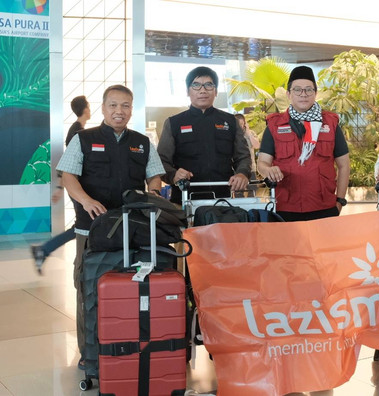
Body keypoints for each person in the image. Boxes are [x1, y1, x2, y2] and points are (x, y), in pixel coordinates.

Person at [56, 85, 165, 369]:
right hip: (90, 229)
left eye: (126, 106)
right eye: (114, 105)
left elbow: (155, 176)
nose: (120, 111)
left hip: (132, 229)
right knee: (89, 289)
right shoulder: (83, 139)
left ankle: (125, 348)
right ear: (103, 108)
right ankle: (89, 354)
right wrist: (86, 200)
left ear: (132, 109)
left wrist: (153, 191)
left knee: (131, 288)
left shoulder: (142, 142)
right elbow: (68, 176)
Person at [257, 65, 350, 222]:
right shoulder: (275, 125)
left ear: (315, 93)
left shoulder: (330, 123)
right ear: (288, 94)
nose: (303, 94)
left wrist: (340, 201)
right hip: (286, 207)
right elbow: (262, 163)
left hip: (324, 207)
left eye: (308, 90)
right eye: (297, 90)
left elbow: (344, 164)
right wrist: (268, 171)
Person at [157, 66, 251, 204]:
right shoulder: (174, 123)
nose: (202, 90)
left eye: (209, 85)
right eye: (196, 85)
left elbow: (243, 156)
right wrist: (173, 175)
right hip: (184, 199)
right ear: (187, 91)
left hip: (223, 199)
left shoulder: (230, 121)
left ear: (216, 91)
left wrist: (242, 173)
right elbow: (161, 161)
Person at [31, 95, 92, 271]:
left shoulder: (78, 129)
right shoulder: (77, 132)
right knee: (82, 225)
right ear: (86, 109)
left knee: (81, 225)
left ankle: (43, 250)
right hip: (78, 186)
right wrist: (60, 185)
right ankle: (44, 250)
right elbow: (68, 161)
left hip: (79, 184)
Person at [235, 113, 260, 183]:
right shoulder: (231, 134)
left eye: (242, 123)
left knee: (252, 190)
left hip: (251, 168)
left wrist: (248, 133)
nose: (240, 126)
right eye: (238, 124)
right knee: (238, 192)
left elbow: (257, 146)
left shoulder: (250, 133)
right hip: (236, 169)